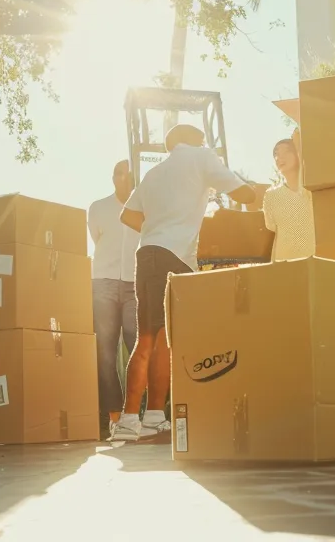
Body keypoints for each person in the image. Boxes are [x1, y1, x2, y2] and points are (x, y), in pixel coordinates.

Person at [112, 125, 258, 442]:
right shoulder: (200, 157)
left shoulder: (155, 172)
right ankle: (139, 418)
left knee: (154, 337)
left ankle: (142, 418)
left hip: (149, 253)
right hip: (173, 257)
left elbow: (129, 217)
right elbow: (243, 194)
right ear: (192, 140)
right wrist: (260, 196)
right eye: (202, 139)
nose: (205, 143)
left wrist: (161, 225)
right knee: (158, 337)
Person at [90, 160, 141, 438]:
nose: (124, 178)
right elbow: (97, 239)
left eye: (129, 174)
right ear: (113, 178)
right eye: (120, 173)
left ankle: (137, 416)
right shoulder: (98, 208)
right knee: (106, 353)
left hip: (135, 284)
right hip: (104, 284)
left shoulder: (145, 208)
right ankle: (114, 417)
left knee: (137, 348)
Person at [262, 134, 314, 262]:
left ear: (298, 153)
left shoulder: (312, 190)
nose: (280, 157)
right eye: (276, 154)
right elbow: (271, 227)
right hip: (283, 265)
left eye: (287, 151)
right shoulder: (270, 196)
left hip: (315, 262)